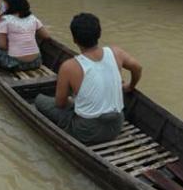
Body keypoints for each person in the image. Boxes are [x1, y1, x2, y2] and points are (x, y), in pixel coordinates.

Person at [34, 13, 143, 145]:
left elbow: (60, 104)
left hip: (87, 131)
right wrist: (130, 86)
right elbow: (137, 68)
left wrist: (71, 101)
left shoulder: (69, 67)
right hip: (116, 125)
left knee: (39, 100)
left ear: (74, 39)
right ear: (99, 34)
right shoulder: (116, 52)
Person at [0, 0, 50, 72]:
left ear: (9, 5)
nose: (4, 4)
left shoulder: (5, 20)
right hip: (36, 62)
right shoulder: (32, 18)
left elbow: (2, 46)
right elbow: (46, 36)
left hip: (14, 64)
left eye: (4, 2)